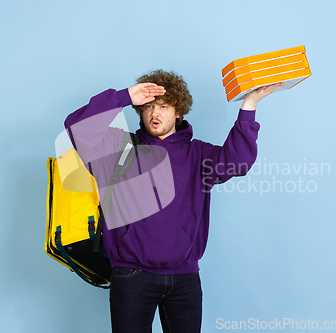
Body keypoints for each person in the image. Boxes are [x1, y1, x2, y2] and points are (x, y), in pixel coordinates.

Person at [64, 70, 285, 333]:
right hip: (132, 276)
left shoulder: (199, 154)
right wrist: (124, 97)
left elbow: (237, 162)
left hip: (185, 278)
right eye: (147, 107)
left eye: (163, 106)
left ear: (178, 111)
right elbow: (76, 127)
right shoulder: (118, 149)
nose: (154, 114)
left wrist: (249, 106)